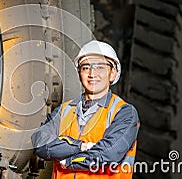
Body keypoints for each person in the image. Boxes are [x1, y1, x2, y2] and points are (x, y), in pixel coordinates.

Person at [31, 40, 140, 178]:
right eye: (85, 67)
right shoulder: (64, 111)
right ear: (79, 74)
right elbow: (41, 144)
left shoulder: (124, 113)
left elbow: (108, 154)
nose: (92, 73)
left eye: (100, 67)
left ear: (112, 73)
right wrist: (81, 146)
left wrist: (68, 160)